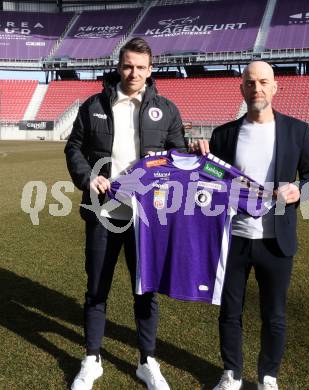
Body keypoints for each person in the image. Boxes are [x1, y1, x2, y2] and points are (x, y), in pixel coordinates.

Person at [65, 37, 187, 390]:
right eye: (128, 65)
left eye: (141, 67)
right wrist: (89, 177)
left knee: (144, 289)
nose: (133, 72)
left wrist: (165, 177)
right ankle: (92, 358)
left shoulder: (166, 109)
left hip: (146, 218)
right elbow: (74, 147)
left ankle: (147, 360)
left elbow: (177, 157)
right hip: (103, 212)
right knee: (97, 288)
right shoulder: (94, 105)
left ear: (151, 70)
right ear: (119, 66)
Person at [193, 61, 309, 390]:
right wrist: (200, 153)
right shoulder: (224, 134)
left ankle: (268, 376)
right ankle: (232, 373)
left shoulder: (296, 130)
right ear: (242, 89)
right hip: (232, 240)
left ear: (275, 87)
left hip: (276, 241)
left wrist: (297, 192)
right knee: (229, 312)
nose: (257, 89)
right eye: (250, 83)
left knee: (274, 314)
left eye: (263, 82)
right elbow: (210, 178)